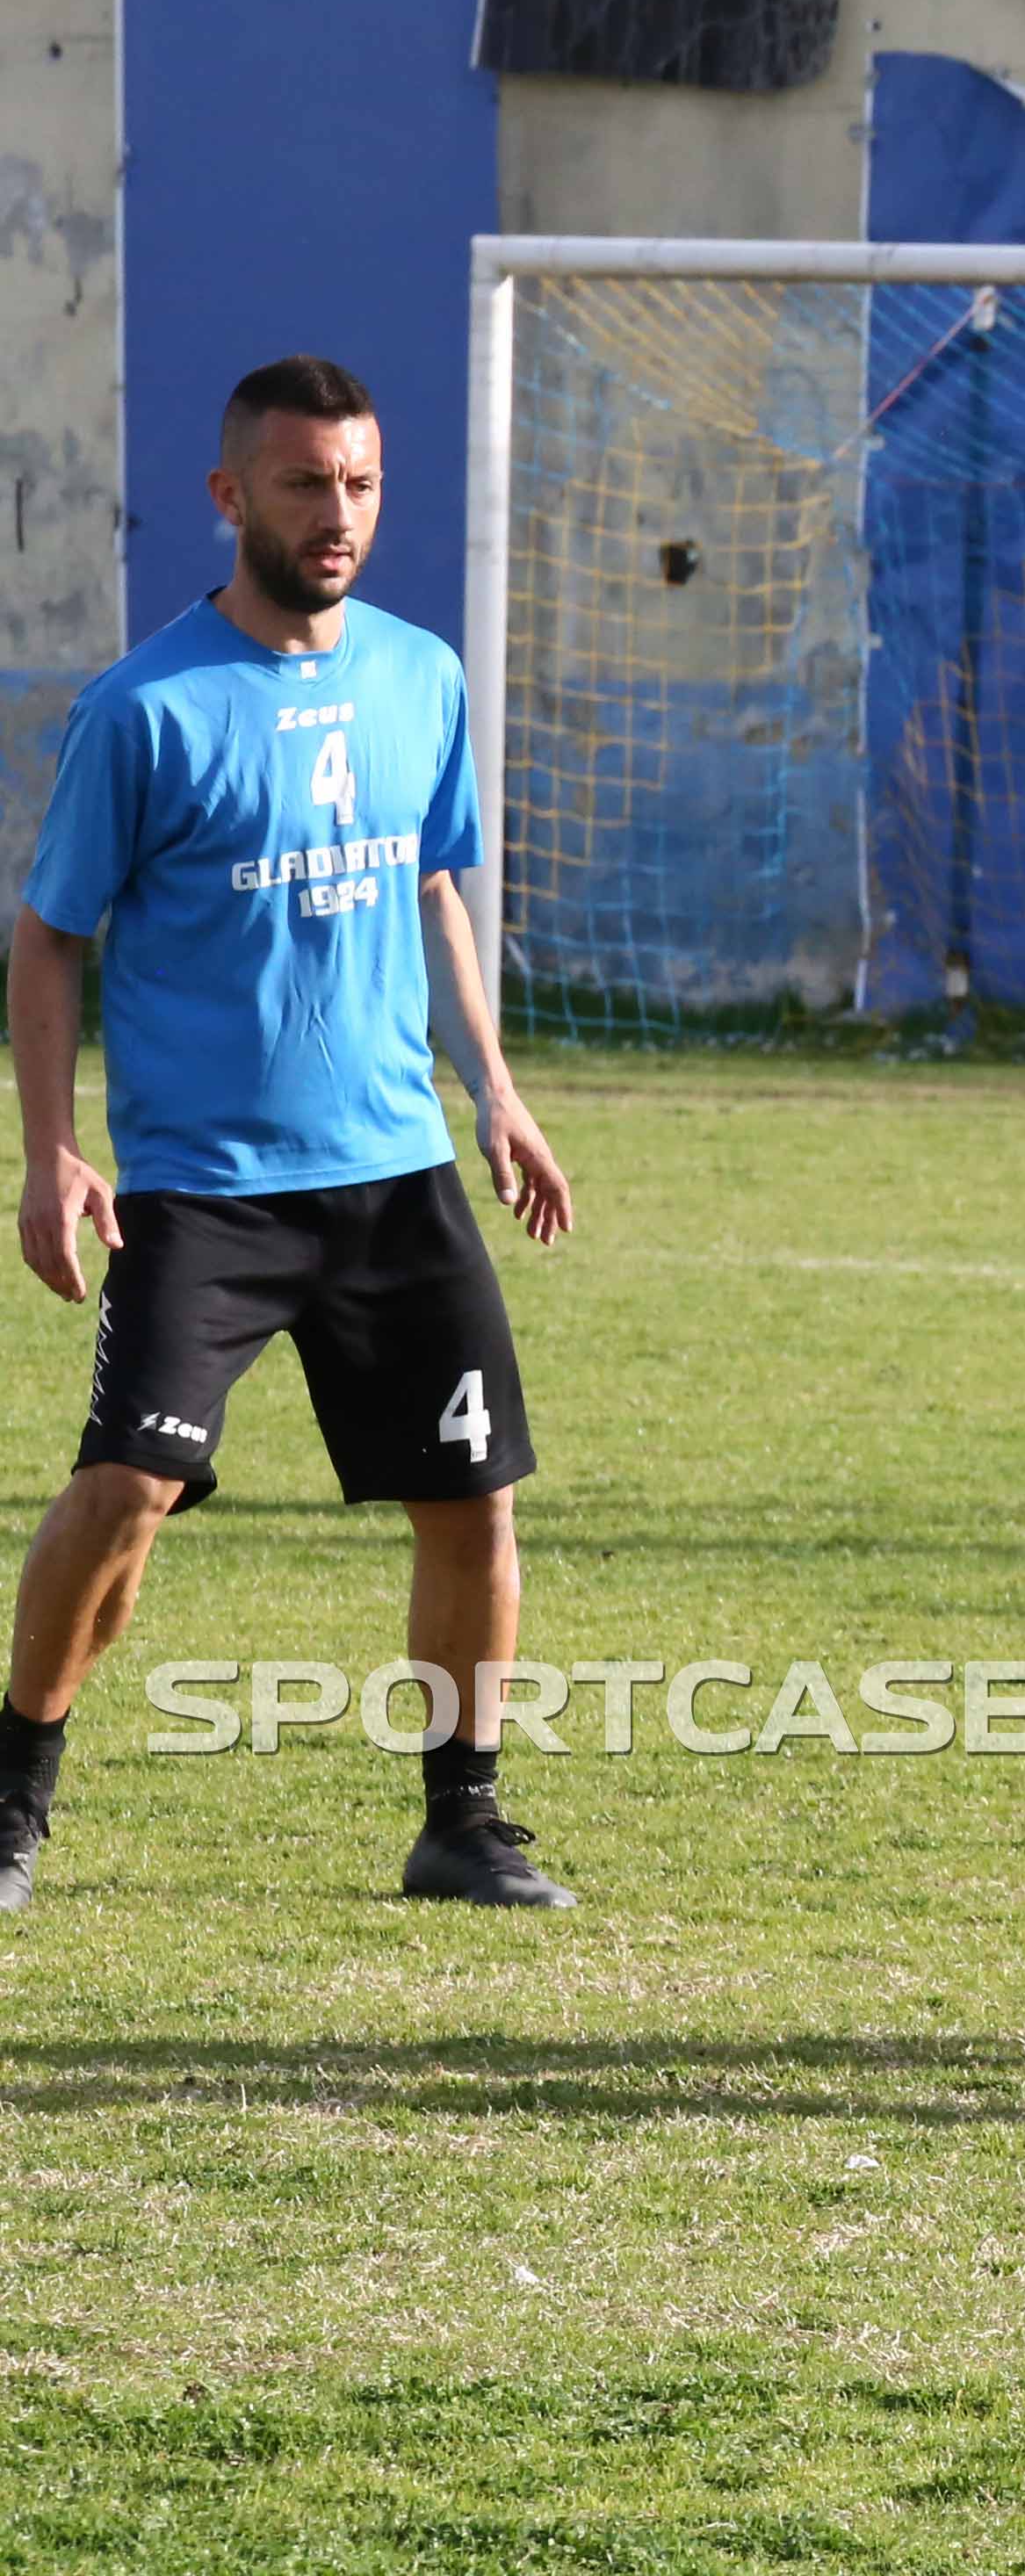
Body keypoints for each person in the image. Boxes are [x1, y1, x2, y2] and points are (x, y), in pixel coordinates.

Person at [4, 356, 581, 1913]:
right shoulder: (146, 707)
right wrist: (51, 1148)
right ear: (230, 493)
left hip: (397, 1171)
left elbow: (436, 887)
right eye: (306, 483)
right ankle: (15, 1791)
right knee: (124, 1489)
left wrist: (498, 1090)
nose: (340, 515)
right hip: (207, 1191)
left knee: (473, 1500)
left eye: (362, 483)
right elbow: (52, 936)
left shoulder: (422, 676)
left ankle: (461, 1820)